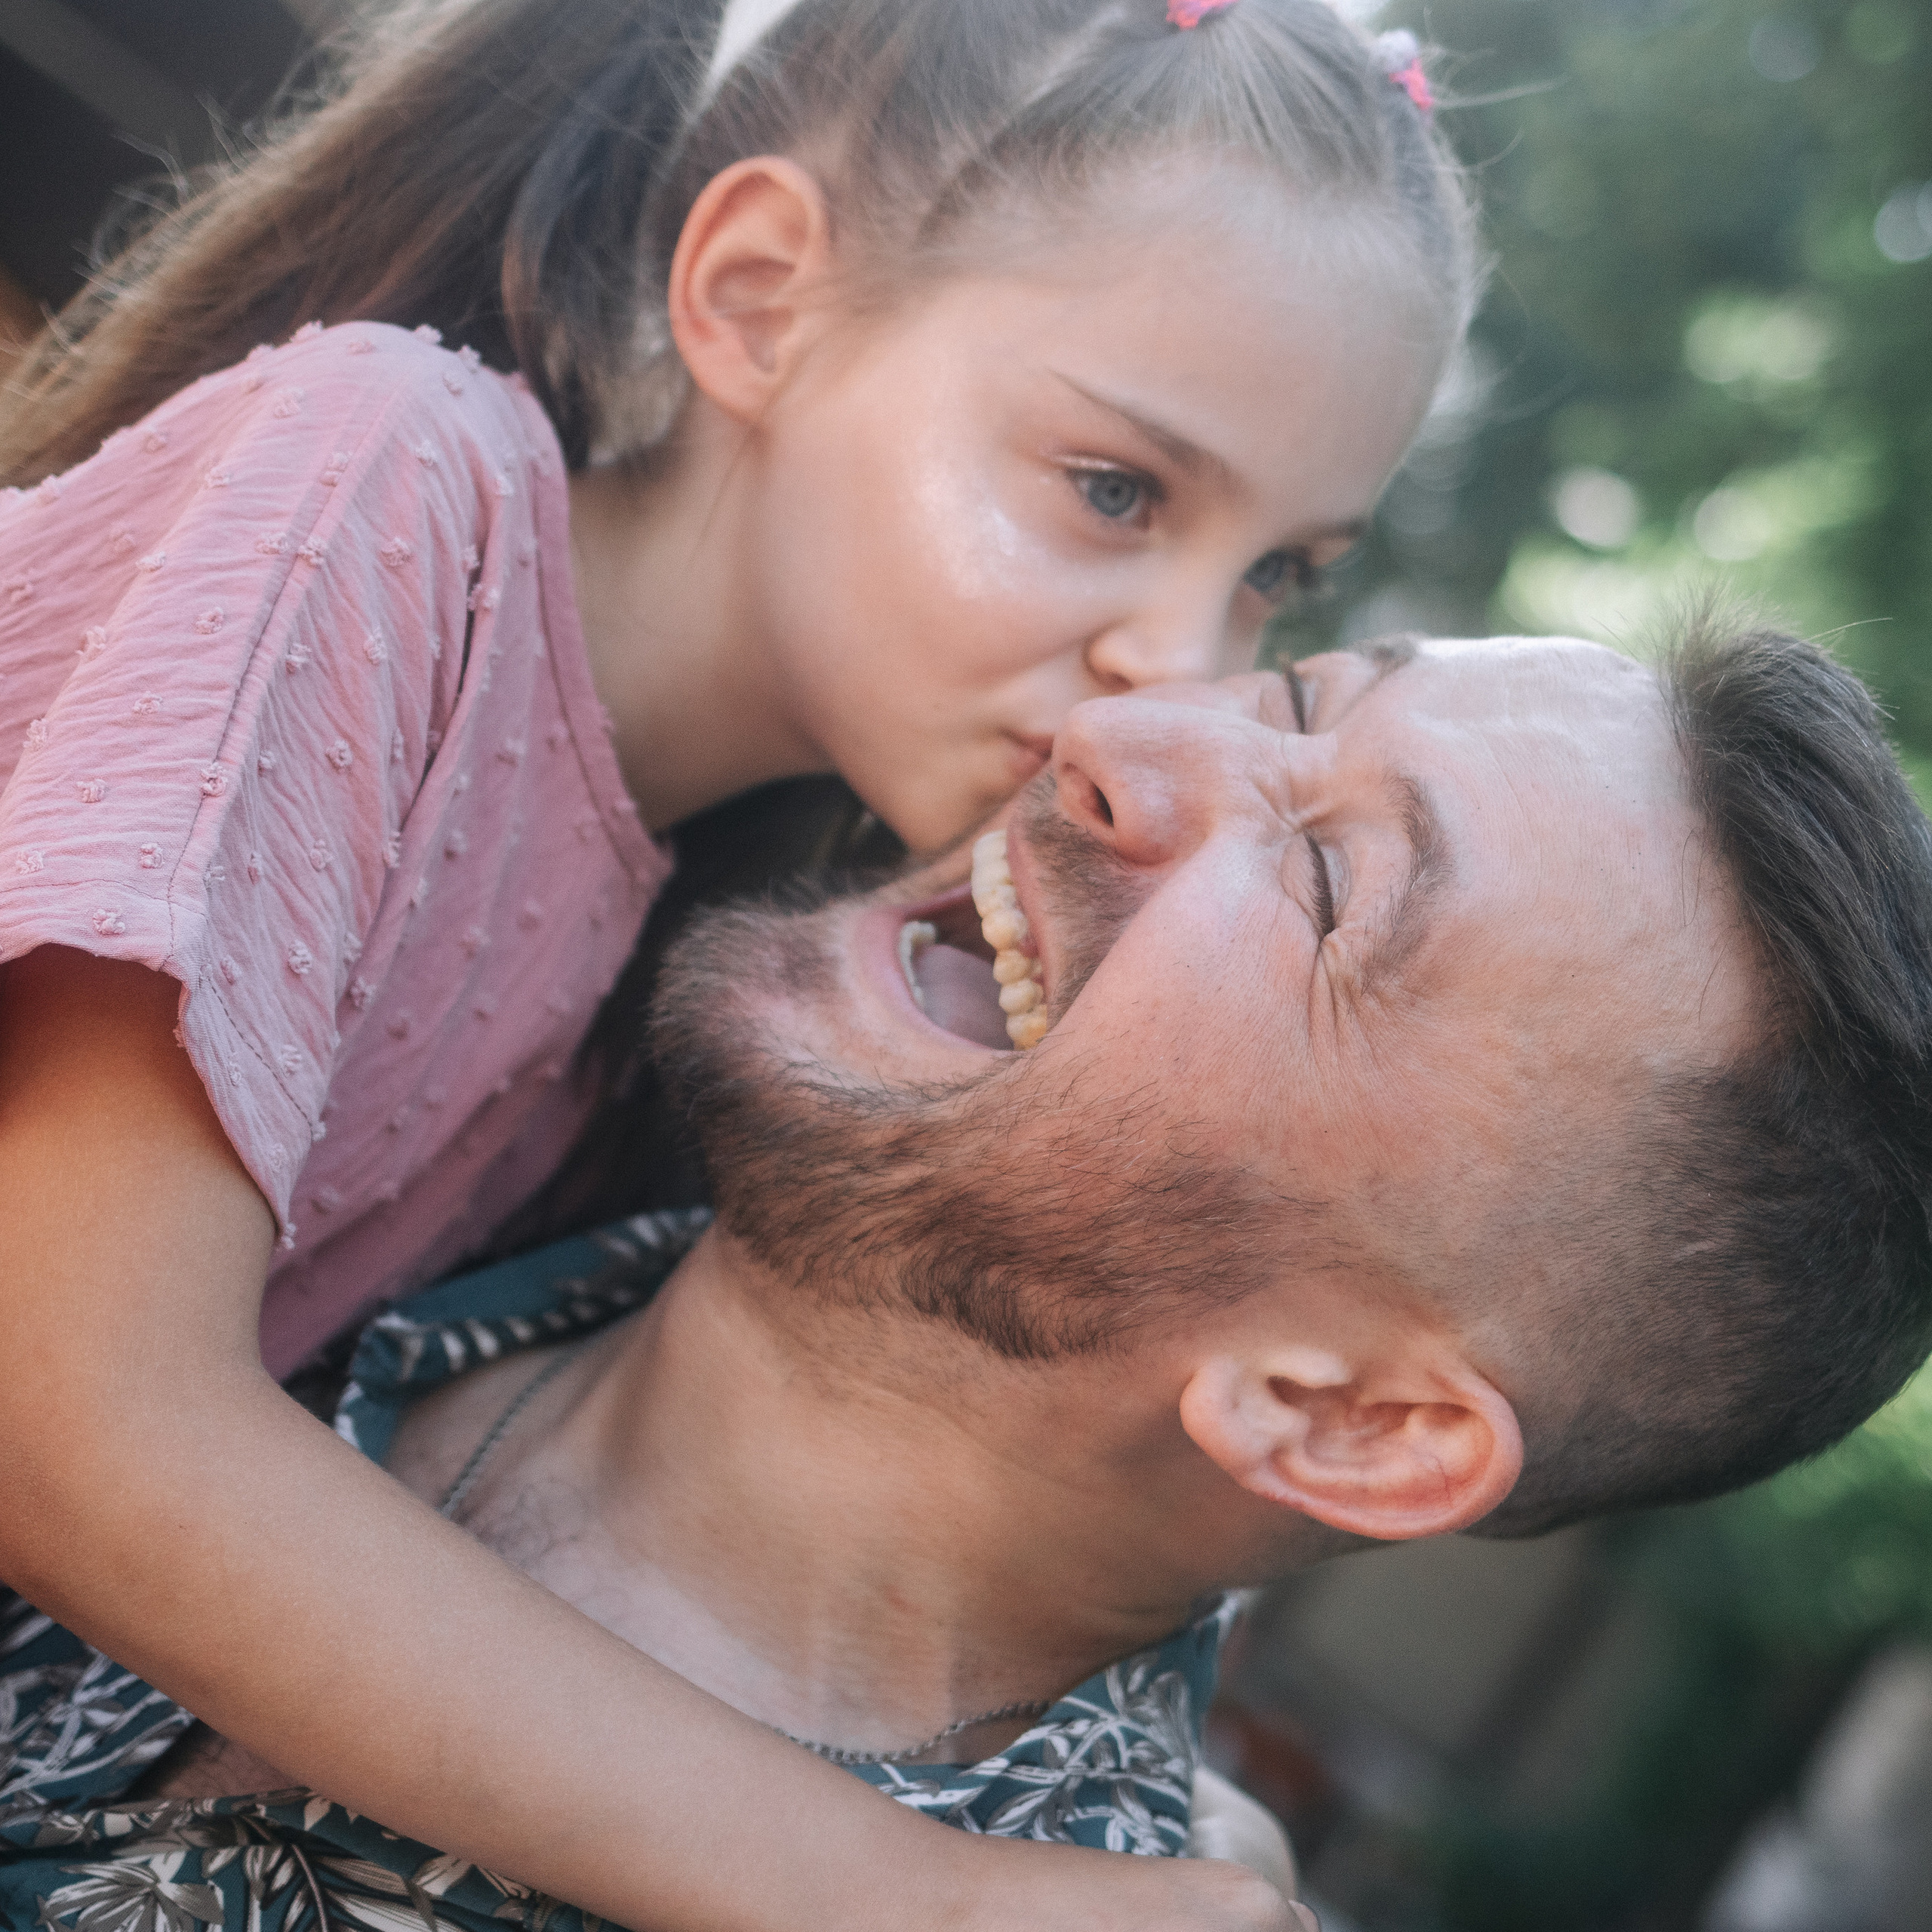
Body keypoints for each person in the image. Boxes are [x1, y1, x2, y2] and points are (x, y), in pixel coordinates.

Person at [0, 2, 1473, 1927]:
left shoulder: (707, 925)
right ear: (761, 298)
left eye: (1276, 573)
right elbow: (71, 1413)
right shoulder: (386, 482)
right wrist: (913, 1892)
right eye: (1114, 489)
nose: (1180, 659)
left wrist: (1140, 1794)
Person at [7, 614, 1931, 1932]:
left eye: (1331, 886)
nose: (1111, 734)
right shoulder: (413, 1042)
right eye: (1282, 699)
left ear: (1343, 1418)